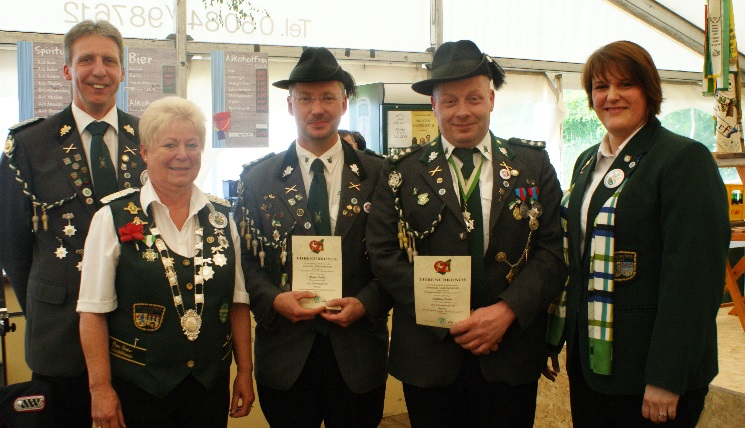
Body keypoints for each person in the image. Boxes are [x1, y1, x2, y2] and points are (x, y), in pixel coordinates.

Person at [366, 40, 566, 428]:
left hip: (510, 351)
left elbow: (553, 250)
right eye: (450, 101)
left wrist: (506, 312)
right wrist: (452, 318)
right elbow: (383, 254)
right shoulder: (400, 172)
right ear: (433, 105)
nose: (462, 112)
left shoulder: (533, 165)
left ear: (491, 99)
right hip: (430, 354)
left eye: (473, 99)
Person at [545, 40, 730, 427]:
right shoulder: (586, 163)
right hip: (593, 363)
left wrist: (667, 376)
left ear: (649, 90)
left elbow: (693, 281)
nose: (611, 96)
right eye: (600, 87)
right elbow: (575, 262)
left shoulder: (682, 159)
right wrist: (554, 337)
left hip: (648, 372)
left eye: (625, 84)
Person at [234, 47, 390, 427]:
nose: (316, 109)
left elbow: (395, 256)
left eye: (327, 98)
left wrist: (367, 304)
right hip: (286, 355)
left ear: (344, 103)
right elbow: (245, 262)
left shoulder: (379, 175)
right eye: (305, 98)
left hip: (358, 354)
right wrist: (274, 301)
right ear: (290, 105)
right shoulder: (258, 179)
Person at [0, 20, 146, 428]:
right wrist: (50, 296)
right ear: (67, 70)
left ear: (122, 71)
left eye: (109, 61)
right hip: (59, 334)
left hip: (136, 327)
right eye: (86, 60)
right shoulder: (29, 145)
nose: (98, 70)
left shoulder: (148, 137)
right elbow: (12, 243)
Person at [77, 96, 254, 428]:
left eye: (192, 144)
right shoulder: (111, 217)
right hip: (140, 389)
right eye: (169, 144)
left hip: (208, 386)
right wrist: (100, 389)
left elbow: (238, 302)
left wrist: (245, 371)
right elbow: (92, 311)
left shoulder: (222, 218)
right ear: (144, 152)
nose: (182, 155)